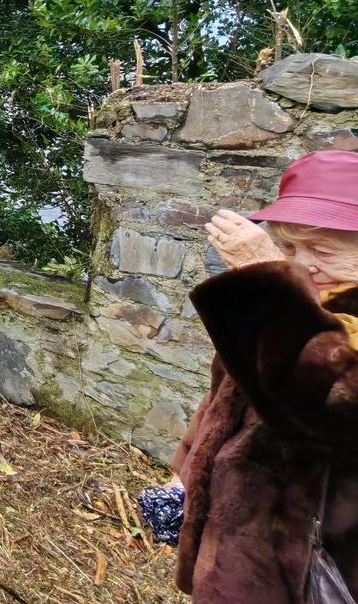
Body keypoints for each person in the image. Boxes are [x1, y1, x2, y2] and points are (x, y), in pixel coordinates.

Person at [171, 149, 358, 602]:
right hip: (238, 549)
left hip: (304, 567)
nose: (298, 263)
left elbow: (331, 412)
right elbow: (228, 398)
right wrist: (184, 477)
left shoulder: (306, 311)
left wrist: (268, 282)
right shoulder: (294, 306)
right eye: (289, 245)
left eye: (323, 249)